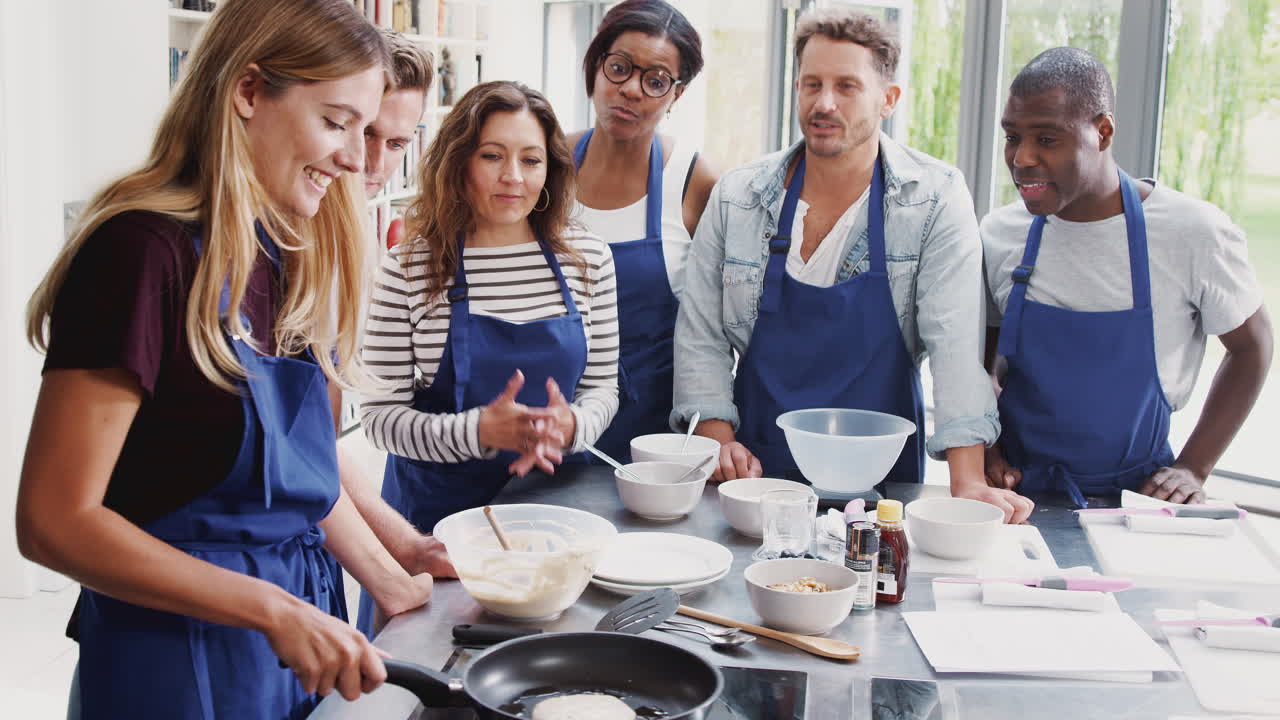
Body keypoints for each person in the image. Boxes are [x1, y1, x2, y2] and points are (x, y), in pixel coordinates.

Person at [17, 1, 435, 718]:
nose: (356, 157)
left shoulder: (285, 254)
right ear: (247, 92)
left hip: (293, 634)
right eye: (337, 122)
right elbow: (54, 520)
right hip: (174, 655)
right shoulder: (140, 254)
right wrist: (269, 609)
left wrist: (401, 573)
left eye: (366, 132)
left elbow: (300, 469)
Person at [673, 8, 1031, 522]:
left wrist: (968, 479)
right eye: (811, 84)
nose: (823, 103)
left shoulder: (933, 198)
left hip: (883, 483)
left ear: (888, 100)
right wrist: (716, 437)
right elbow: (700, 334)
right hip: (755, 477)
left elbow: (955, 344)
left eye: (846, 87)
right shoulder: (738, 197)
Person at [982, 47, 1272, 507]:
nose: (1022, 158)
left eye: (1048, 139)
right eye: (1013, 137)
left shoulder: (1192, 232)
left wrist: (1194, 467)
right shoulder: (999, 234)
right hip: (1017, 497)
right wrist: (988, 447)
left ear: (1103, 132)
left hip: (1140, 502)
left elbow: (1253, 345)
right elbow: (982, 365)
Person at [360, 81, 619, 533]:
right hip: (432, 519)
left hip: (550, 509)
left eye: (530, 160)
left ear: (550, 171)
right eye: (492, 155)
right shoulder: (408, 267)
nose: (513, 176)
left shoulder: (589, 259)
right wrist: (478, 432)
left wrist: (572, 425)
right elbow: (379, 419)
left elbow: (603, 389)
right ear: (459, 163)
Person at [568, 0, 719, 462]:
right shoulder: (543, 165)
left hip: (648, 442)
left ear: (677, 94)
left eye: (655, 81)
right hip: (548, 423)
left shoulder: (694, 181)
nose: (631, 89)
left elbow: (716, 331)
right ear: (595, 68)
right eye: (618, 68)